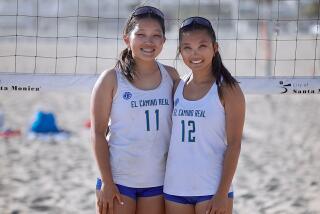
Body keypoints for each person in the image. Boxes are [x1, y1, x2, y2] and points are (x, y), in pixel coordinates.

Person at [90, 5, 179, 214]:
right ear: (126, 39)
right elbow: (97, 133)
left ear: (164, 41)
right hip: (119, 180)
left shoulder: (172, 76)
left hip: (158, 180)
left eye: (156, 35)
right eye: (141, 34)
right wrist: (106, 181)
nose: (149, 41)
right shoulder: (111, 79)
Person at [164, 17, 245, 214]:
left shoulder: (228, 89)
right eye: (187, 48)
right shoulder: (176, 86)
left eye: (202, 46)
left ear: (215, 48)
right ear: (180, 51)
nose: (195, 54)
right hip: (175, 186)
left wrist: (222, 193)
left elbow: (234, 145)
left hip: (211, 188)